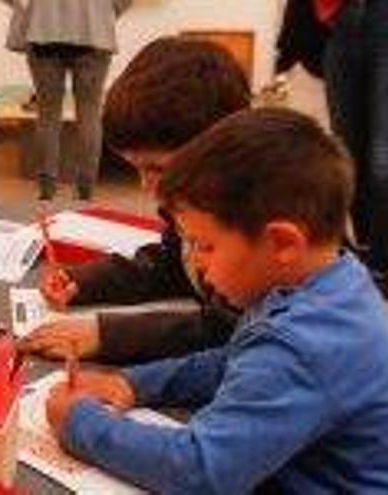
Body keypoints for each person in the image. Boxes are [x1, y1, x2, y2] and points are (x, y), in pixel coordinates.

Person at [46, 108, 388, 492]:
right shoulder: (332, 281)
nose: (193, 261)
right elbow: (233, 360)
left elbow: (200, 471)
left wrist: (79, 423)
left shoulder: (302, 346)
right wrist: (134, 383)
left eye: (204, 245)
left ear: (283, 243)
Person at [20, 37, 250, 364]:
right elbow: (171, 265)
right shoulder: (193, 197)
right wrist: (83, 281)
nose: (146, 186)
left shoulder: (253, 224)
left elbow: (227, 330)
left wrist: (106, 334)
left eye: (158, 168)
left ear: (220, 148)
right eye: (137, 169)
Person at [1, 0, 131, 200]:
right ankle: (85, 192)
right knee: (89, 113)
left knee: (47, 114)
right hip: (93, 29)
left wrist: (25, 8)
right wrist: (104, 11)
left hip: (43, 29)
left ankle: (46, 192)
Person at [320, 0, 388, 288]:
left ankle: (379, 269)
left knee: (382, 163)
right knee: (348, 161)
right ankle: (369, 264)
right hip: (342, 19)